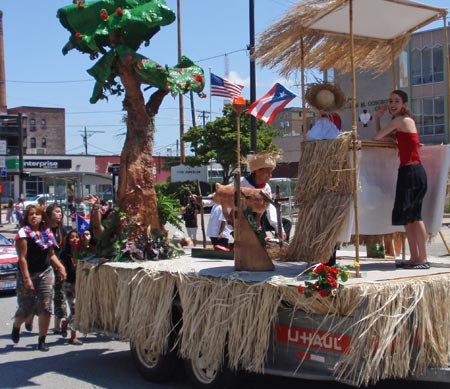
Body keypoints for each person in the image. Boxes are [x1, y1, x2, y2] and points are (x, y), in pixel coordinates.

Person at [373, 89, 428, 269]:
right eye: (391, 101)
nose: (392, 104)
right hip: (408, 171)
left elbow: (377, 137)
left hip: (412, 171)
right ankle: (414, 257)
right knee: (408, 218)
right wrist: (378, 119)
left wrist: (378, 119)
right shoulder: (400, 123)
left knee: (415, 217)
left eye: (396, 101)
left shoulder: (401, 121)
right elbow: (382, 140)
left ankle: (423, 258)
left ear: (404, 104)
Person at [11, 205, 67, 351]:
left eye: (37, 214)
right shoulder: (23, 234)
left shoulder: (46, 232)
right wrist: (27, 279)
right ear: (26, 217)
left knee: (46, 307)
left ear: (42, 217)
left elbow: (52, 254)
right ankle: (17, 326)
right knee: (26, 308)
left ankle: (42, 340)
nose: (34, 217)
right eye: (31, 214)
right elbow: (22, 259)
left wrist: (60, 267)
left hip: (45, 272)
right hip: (27, 273)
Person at [243, 151, 291, 242]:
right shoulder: (242, 183)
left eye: (271, 172)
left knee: (286, 223)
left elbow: (270, 209)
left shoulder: (266, 187)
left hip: (261, 218)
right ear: (257, 171)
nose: (270, 175)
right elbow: (223, 193)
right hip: (245, 218)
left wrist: (279, 229)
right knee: (261, 239)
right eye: (267, 172)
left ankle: (281, 242)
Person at [60, 230, 84, 345]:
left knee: (79, 308)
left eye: (77, 237)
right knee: (74, 308)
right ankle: (73, 337)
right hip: (69, 284)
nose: (74, 239)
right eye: (72, 237)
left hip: (81, 284)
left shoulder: (83, 252)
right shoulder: (64, 254)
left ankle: (65, 323)